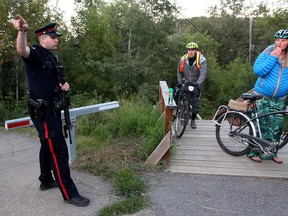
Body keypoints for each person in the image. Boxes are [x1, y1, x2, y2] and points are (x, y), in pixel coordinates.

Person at [10, 14, 90, 207]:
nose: (56, 40)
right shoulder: (36, 53)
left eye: (57, 37)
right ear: (42, 39)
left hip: (51, 109)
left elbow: (53, 79)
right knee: (59, 150)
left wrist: (63, 86)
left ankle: (46, 180)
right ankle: (70, 194)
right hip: (43, 112)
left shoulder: (51, 57)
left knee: (48, 145)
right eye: (53, 37)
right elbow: (22, 49)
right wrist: (22, 31)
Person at [247, 29, 288, 163]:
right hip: (261, 96)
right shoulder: (268, 51)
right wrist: (273, 57)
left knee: (276, 127)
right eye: (277, 40)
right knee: (259, 126)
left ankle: (271, 153)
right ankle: (253, 152)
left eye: (283, 40)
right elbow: (258, 71)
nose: (279, 42)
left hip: (280, 99)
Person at [176, 42, 208, 129]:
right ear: (187, 51)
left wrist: (198, 83)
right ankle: (184, 119)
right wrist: (180, 82)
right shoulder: (183, 59)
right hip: (186, 83)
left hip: (196, 84)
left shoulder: (202, 60)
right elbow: (179, 71)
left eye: (193, 50)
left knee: (196, 104)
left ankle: (193, 120)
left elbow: (203, 74)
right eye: (189, 50)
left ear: (196, 50)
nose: (190, 52)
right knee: (184, 100)